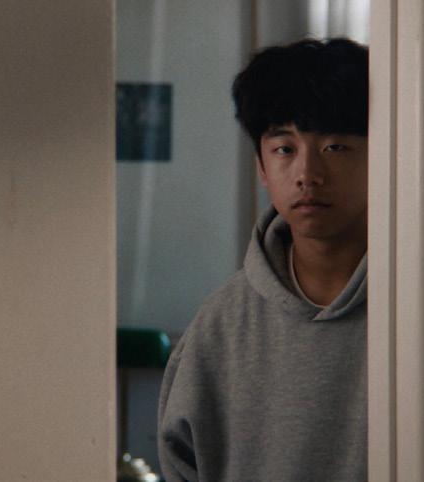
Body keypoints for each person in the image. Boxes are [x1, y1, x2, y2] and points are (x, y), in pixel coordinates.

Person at [157, 38, 369, 481]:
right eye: (284, 149)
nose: (308, 174)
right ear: (261, 166)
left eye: (335, 147)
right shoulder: (220, 325)